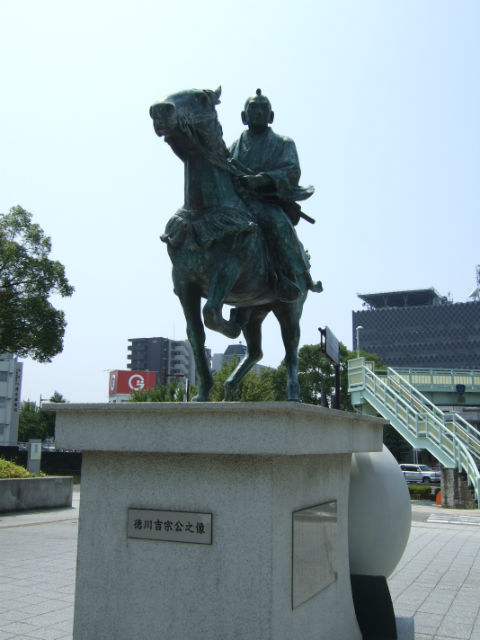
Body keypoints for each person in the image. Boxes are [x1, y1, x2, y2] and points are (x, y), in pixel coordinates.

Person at [229, 89, 321, 302]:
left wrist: (264, 179)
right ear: (244, 116)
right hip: (236, 202)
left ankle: (292, 276)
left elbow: (292, 170)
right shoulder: (233, 147)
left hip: (265, 201)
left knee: (279, 225)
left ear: (271, 116)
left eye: (263, 109)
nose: (258, 112)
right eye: (253, 108)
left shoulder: (283, 143)